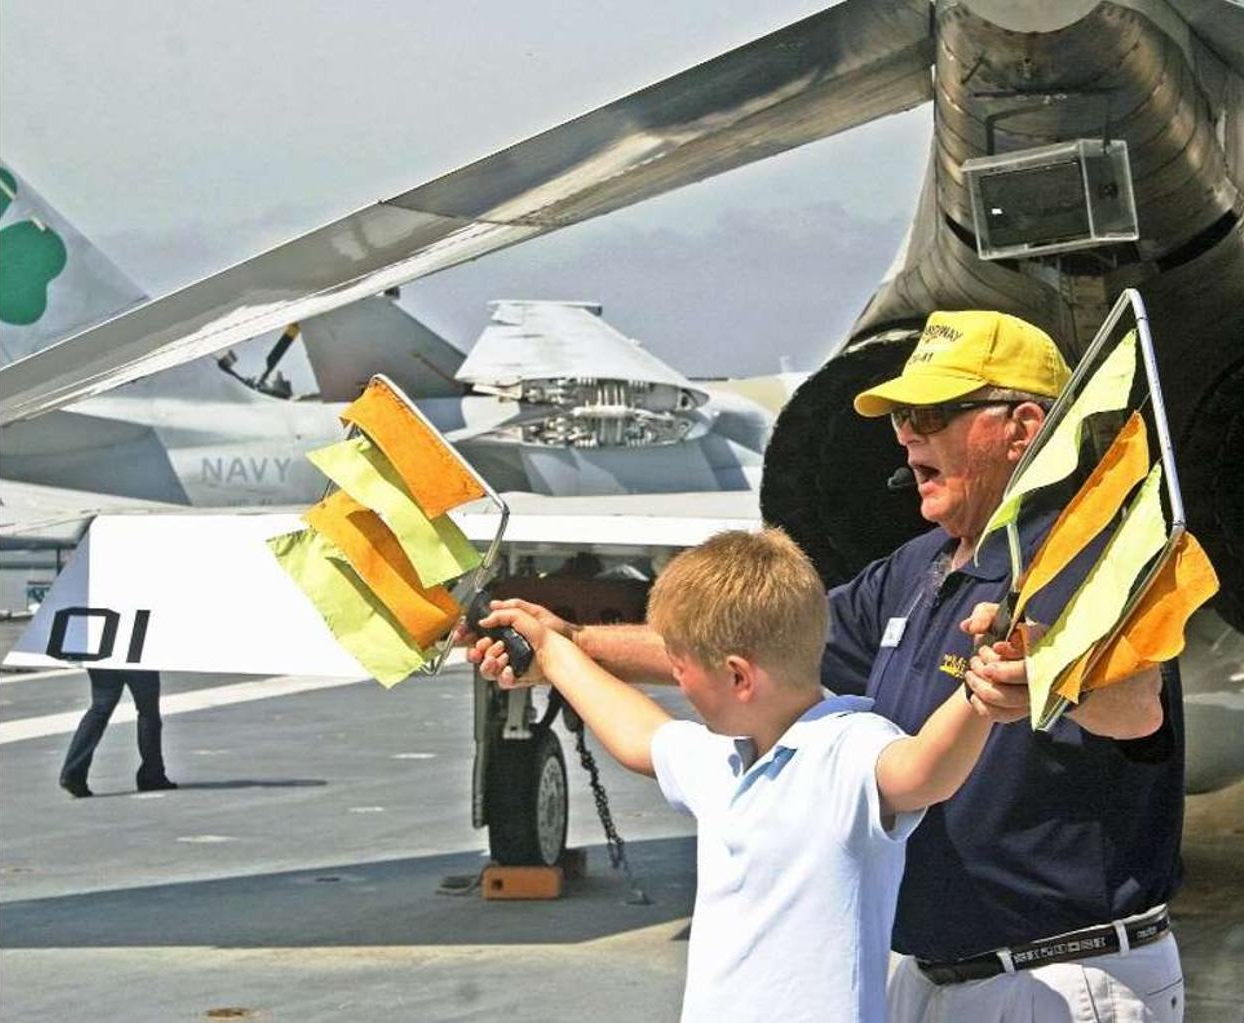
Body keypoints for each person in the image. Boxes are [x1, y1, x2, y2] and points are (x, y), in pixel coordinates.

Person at [472, 310, 1189, 1022]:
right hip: (932, 981)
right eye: (902, 415)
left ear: (1023, 428)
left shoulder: (1091, 565)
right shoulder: (916, 570)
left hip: (1056, 980)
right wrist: (567, 642)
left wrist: (1055, 674)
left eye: (933, 412)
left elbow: (1139, 707)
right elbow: (750, 644)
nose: (907, 433)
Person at [477, 527, 1017, 1023]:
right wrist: (552, 650)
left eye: (680, 667)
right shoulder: (724, 759)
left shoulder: (847, 749)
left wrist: (978, 691)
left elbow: (925, 770)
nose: (679, 684)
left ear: (737, 675)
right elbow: (639, 735)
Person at [58, 668, 176, 797]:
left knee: (99, 709)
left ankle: (73, 772)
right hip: (137, 656)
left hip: (105, 656)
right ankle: (152, 774)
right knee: (148, 711)